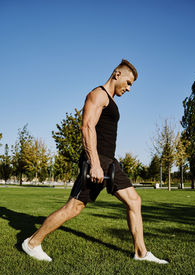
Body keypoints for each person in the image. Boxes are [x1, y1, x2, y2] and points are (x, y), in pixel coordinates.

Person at [22, 59, 168, 264]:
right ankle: (32, 243)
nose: (128, 88)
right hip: (97, 161)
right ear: (117, 74)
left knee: (134, 201)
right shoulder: (98, 94)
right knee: (74, 207)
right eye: (128, 83)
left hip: (109, 161)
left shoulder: (110, 100)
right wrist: (95, 163)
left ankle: (141, 253)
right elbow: (87, 127)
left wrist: (104, 163)